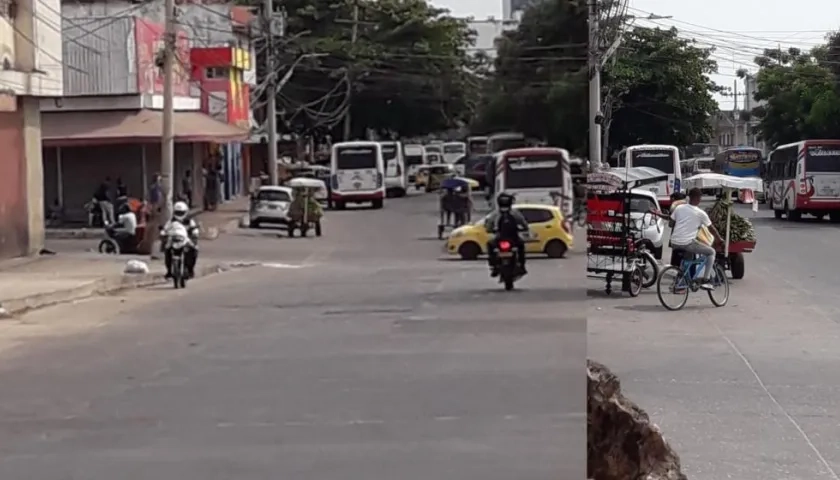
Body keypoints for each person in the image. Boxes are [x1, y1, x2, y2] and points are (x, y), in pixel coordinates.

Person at [652, 188, 722, 290]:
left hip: (674, 242)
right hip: (687, 243)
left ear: (689, 197)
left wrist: (659, 214)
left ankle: (682, 282)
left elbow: (670, 221)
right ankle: (706, 280)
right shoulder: (700, 213)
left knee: (688, 259)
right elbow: (712, 229)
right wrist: (719, 240)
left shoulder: (679, 208)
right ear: (698, 199)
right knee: (711, 252)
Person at [485, 192, 529, 277]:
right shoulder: (515, 213)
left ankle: (493, 265)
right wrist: (524, 228)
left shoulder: (495, 214)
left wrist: (490, 230)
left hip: (499, 238)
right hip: (513, 238)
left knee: (490, 245)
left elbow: (488, 226)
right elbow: (524, 223)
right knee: (521, 247)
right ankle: (522, 266)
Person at [161, 201, 199, 279]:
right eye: (178, 212)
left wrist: (195, 233)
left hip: (185, 240)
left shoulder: (189, 221)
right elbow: (165, 229)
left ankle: (190, 269)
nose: (179, 214)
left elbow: (194, 229)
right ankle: (169, 271)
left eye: (181, 212)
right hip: (173, 239)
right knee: (167, 250)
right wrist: (163, 233)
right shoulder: (171, 221)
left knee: (194, 250)